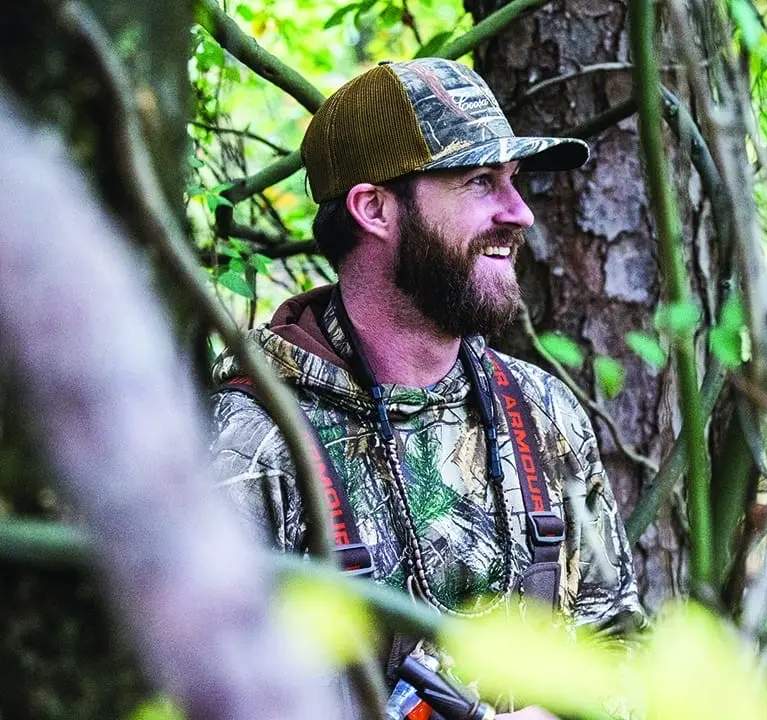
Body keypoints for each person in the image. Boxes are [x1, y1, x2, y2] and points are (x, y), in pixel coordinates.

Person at [209, 58, 644, 718]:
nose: (520, 212)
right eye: (479, 182)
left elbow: (619, 648)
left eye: (513, 180)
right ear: (374, 208)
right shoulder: (252, 444)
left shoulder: (543, 416)